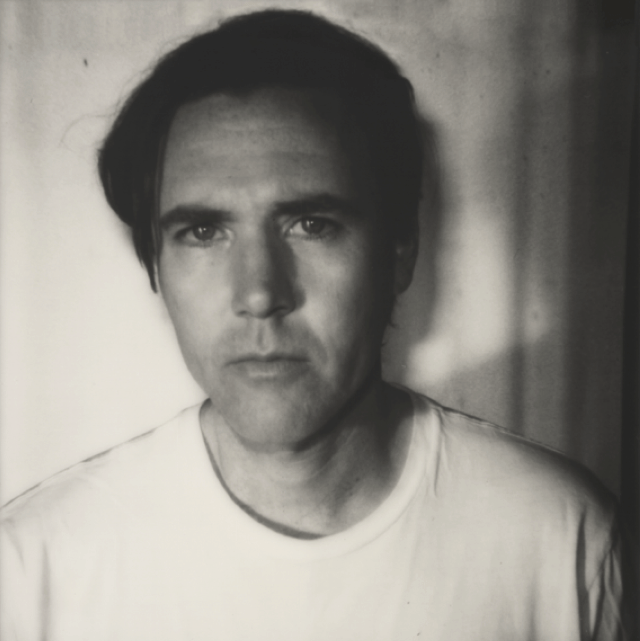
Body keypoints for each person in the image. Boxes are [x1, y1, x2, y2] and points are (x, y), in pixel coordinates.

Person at [0, 9, 631, 640]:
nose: (259, 293)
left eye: (311, 225)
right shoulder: (34, 569)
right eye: (204, 231)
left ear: (400, 251)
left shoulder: (562, 537)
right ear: (156, 268)